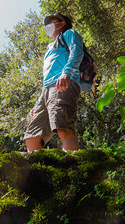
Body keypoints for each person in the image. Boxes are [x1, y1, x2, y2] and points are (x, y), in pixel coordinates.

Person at [23, 13, 84, 152]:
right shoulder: (50, 47)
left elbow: (77, 52)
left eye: (52, 22)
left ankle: (74, 167)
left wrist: (66, 72)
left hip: (65, 83)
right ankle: (41, 171)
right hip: (47, 90)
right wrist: (38, 103)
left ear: (62, 23)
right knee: (32, 136)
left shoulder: (69, 34)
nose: (48, 26)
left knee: (63, 126)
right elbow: (47, 78)